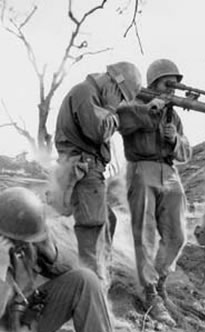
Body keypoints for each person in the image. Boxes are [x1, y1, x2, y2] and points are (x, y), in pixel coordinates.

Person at [0, 187, 128, 332]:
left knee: (84, 280)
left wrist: (49, 252)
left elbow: (67, 271)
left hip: (22, 319)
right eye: (19, 242)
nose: (23, 247)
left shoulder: (24, 241)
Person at [117, 59, 192, 326]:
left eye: (175, 84)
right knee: (145, 234)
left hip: (169, 172)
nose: (172, 89)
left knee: (178, 234)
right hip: (142, 170)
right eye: (166, 83)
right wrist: (150, 111)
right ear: (152, 83)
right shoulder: (136, 103)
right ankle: (149, 293)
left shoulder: (174, 114)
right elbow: (121, 121)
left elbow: (186, 152)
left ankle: (160, 282)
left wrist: (176, 140)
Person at [54, 61, 142, 285]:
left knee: (108, 220)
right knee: (92, 230)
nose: (120, 102)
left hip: (87, 170)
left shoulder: (91, 94)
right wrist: (112, 109)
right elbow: (98, 131)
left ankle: (100, 274)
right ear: (114, 83)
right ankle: (94, 287)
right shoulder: (86, 93)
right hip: (84, 171)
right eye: (121, 96)